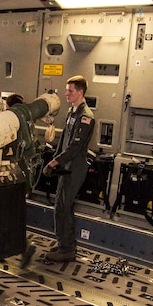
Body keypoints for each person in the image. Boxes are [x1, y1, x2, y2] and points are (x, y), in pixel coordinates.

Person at [41, 75, 95, 262]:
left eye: (70, 91)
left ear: (80, 92)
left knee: (63, 207)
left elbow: (75, 147)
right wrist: (55, 158)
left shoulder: (86, 117)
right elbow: (64, 140)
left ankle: (66, 249)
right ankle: (65, 243)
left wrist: (55, 162)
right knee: (62, 206)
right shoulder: (72, 113)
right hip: (66, 165)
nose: (66, 94)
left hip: (75, 166)